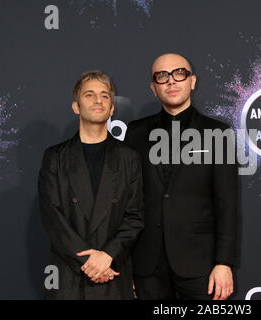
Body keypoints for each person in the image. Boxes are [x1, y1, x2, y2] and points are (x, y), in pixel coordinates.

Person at [126, 53, 238, 300]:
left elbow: (227, 203)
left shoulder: (217, 133)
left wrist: (224, 262)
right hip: (147, 265)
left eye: (179, 74)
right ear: (153, 88)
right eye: (162, 76)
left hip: (201, 264)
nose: (171, 82)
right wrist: (127, 267)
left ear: (193, 81)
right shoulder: (134, 134)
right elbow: (128, 203)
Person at [38, 70, 144, 299]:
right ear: (76, 106)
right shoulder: (55, 157)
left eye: (105, 96)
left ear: (112, 108)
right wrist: (88, 261)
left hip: (113, 274)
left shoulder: (129, 157)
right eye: (90, 94)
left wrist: (107, 256)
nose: (98, 100)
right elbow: (53, 218)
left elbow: (134, 217)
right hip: (69, 277)